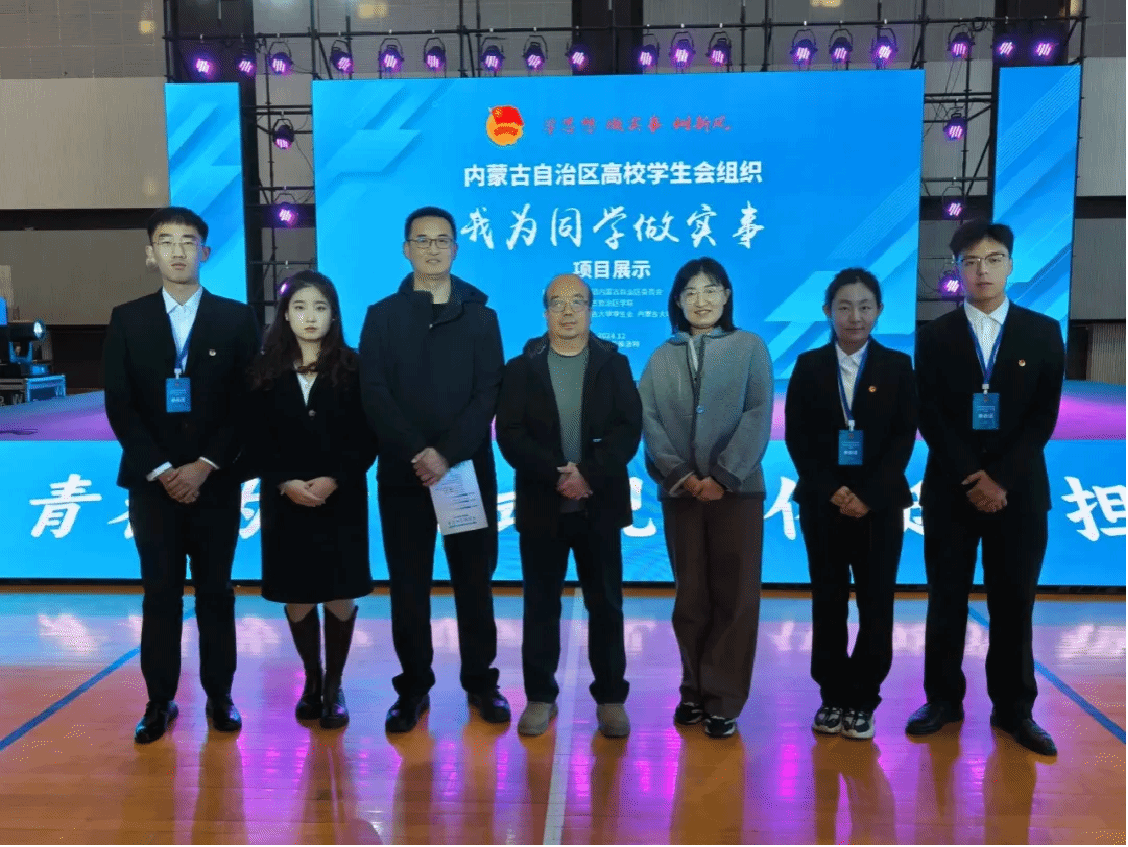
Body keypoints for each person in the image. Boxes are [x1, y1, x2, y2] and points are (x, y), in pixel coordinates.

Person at [906, 220, 1064, 756]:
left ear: (1011, 266)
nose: (982, 271)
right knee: (945, 598)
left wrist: (1001, 478)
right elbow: (930, 413)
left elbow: (1043, 415)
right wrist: (972, 476)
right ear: (957, 271)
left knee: (1014, 603)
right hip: (952, 491)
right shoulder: (935, 336)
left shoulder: (1043, 332)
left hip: (1019, 493)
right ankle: (942, 700)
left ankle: (1015, 709)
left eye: (993, 259)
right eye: (970, 262)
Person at [103, 207, 259, 744]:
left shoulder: (236, 319)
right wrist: (165, 469)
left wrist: (205, 465)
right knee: (160, 595)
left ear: (205, 252)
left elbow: (246, 402)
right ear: (151, 253)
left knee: (216, 592)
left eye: (188, 241)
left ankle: (220, 696)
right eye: (166, 241)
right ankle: (159, 701)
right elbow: (120, 404)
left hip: (216, 483)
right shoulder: (128, 318)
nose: (177, 251)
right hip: (153, 486)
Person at [359, 206, 509, 733]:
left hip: (464, 471)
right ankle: (413, 688)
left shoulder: (481, 317)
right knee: (408, 585)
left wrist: (445, 454)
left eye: (442, 240)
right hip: (403, 474)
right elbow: (373, 391)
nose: (432, 249)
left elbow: (488, 392)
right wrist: (418, 452)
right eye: (421, 240)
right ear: (406, 250)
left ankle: (481, 682)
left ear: (456, 249)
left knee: (474, 582)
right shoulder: (382, 315)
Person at [496, 273, 643, 739]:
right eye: (557, 302)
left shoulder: (613, 364)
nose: (567, 311)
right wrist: (557, 474)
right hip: (543, 504)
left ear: (590, 310)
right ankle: (541, 696)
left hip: (599, 505)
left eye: (577, 301)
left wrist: (587, 475)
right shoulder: (522, 368)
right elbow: (510, 434)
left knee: (607, 605)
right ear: (545, 312)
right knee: (541, 606)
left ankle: (611, 698)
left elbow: (628, 429)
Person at [638, 257, 774, 739]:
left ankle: (724, 699)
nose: (701, 300)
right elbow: (649, 420)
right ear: (677, 300)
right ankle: (693, 689)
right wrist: (681, 475)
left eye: (711, 289)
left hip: (737, 493)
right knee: (690, 596)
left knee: (736, 597)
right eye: (691, 292)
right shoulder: (660, 357)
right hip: (682, 495)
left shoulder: (750, 347)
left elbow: (758, 413)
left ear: (727, 295)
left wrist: (722, 475)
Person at [784, 268, 918, 741]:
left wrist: (869, 495)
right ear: (828, 311)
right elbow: (798, 438)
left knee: (876, 603)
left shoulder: (898, 366)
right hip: (823, 505)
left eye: (864, 306)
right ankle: (832, 695)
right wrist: (833, 490)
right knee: (828, 602)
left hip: (879, 508)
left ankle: (863, 698)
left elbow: (903, 437)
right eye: (844, 306)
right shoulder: (808, 366)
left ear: (879, 310)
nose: (855, 316)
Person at [244, 271, 377, 729]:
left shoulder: (354, 367)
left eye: (320, 307)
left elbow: (367, 436)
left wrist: (334, 478)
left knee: (339, 593)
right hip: (286, 502)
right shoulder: (263, 369)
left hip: (340, 500)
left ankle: (335, 685)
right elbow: (253, 437)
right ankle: (313, 679)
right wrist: (284, 481)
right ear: (285, 315)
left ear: (334, 315)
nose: (310, 316)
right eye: (300, 307)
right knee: (297, 595)